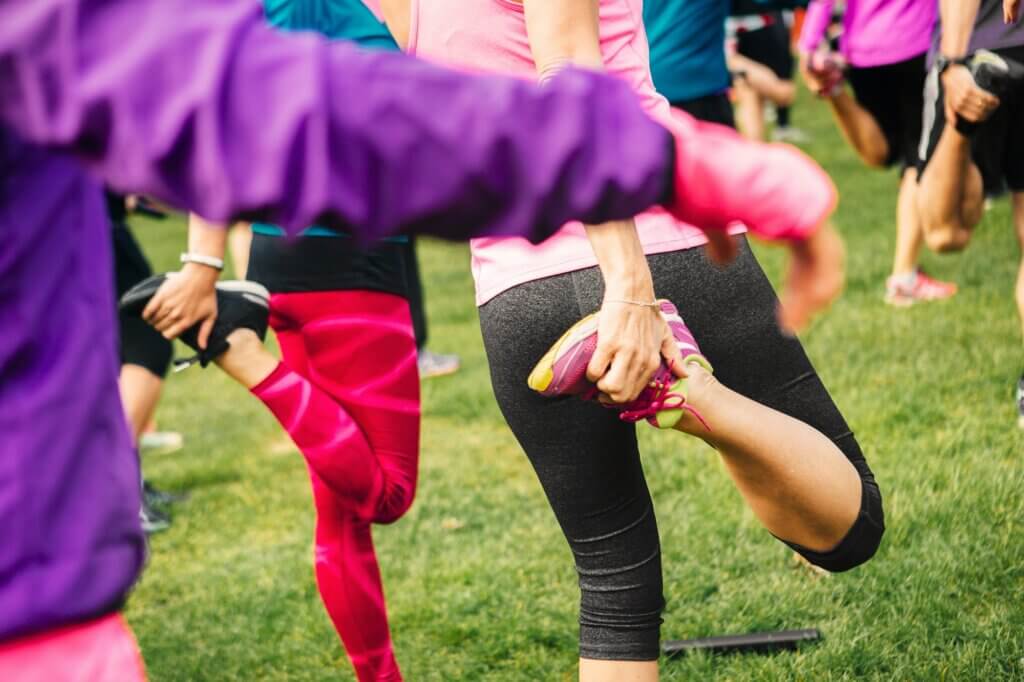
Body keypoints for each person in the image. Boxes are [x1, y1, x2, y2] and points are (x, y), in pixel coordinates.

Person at [0, 0, 849, 676]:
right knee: (385, 495)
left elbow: (248, 103)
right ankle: (245, 353)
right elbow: (289, 109)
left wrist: (198, 259)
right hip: (348, 261)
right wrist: (664, 164)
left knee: (557, 561)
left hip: (374, 271)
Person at [379, 0, 883, 679]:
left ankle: (698, 400)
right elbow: (570, 78)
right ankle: (699, 399)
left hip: (516, 291)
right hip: (660, 243)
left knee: (614, 583)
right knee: (852, 530)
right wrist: (627, 284)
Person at [798, 0, 959, 307]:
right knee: (920, 156)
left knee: (886, 153)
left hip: (863, 51)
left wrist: (809, 45)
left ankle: (834, 91)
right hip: (917, 43)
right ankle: (904, 277)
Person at [914, 0, 1024, 425]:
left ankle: (964, 120)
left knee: (946, 233)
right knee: (948, 232)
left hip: (978, 47)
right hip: (985, 45)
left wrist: (953, 60)